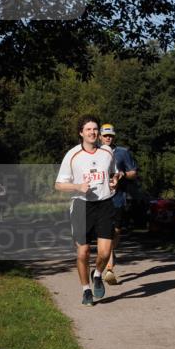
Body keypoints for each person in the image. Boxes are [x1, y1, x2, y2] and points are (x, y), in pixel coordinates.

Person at [55, 114, 123, 306]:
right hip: (81, 205)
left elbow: (114, 173)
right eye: (88, 129)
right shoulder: (72, 155)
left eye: (95, 129)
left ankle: (98, 274)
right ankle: (86, 290)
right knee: (83, 252)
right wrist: (77, 187)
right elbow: (59, 185)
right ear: (81, 133)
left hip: (104, 204)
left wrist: (115, 181)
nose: (92, 132)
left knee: (104, 252)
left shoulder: (107, 151)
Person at [98, 123, 139, 285]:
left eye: (111, 135)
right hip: (99, 198)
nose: (108, 138)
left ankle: (110, 251)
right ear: (100, 136)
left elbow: (133, 172)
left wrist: (123, 174)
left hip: (118, 197)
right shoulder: (94, 153)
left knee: (115, 231)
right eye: (105, 135)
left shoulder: (123, 152)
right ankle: (108, 267)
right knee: (105, 231)